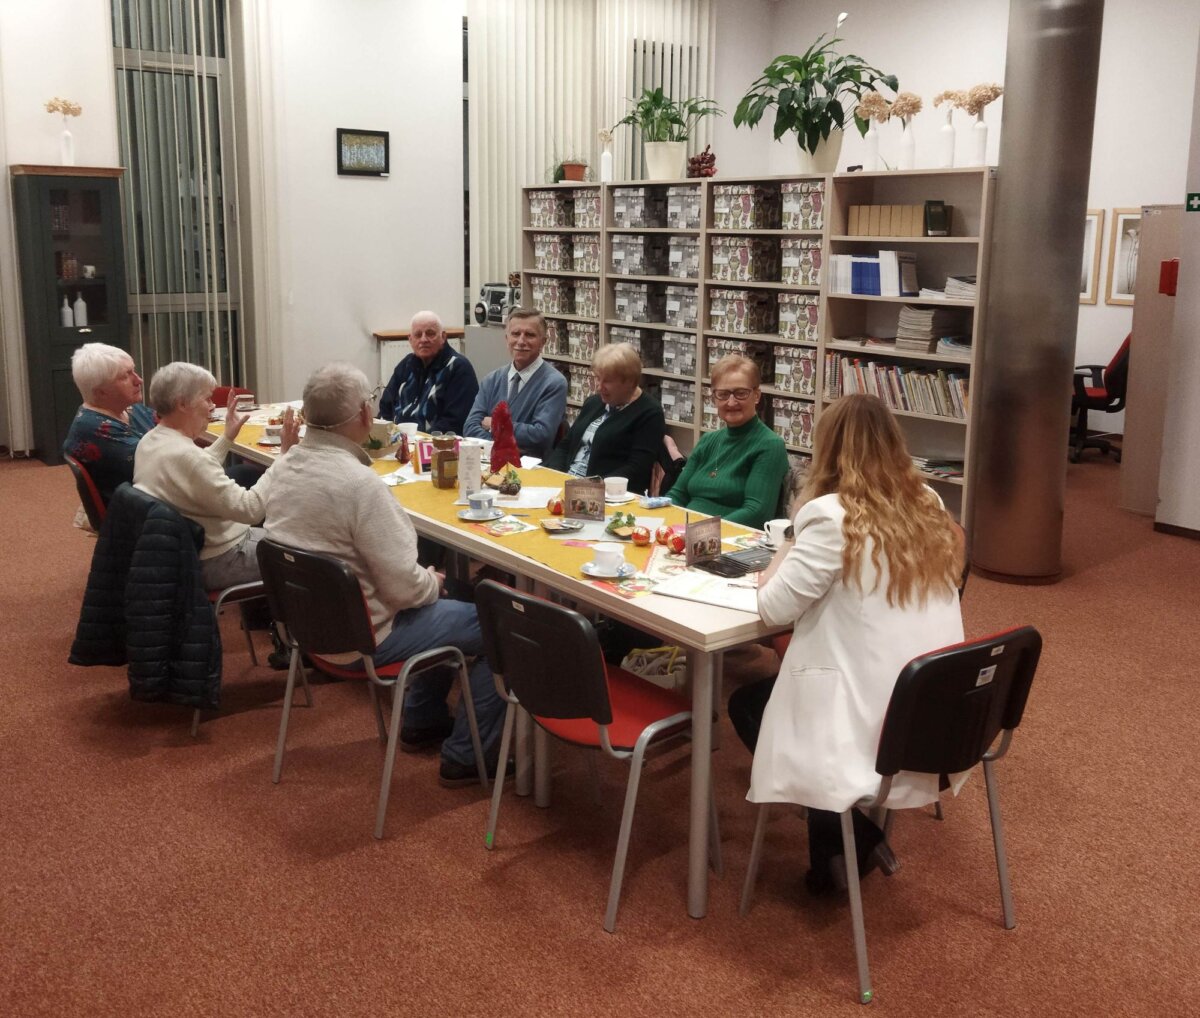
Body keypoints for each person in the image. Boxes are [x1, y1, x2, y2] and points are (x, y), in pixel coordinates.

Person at [731, 393, 966, 894]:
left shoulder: (828, 516)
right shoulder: (929, 503)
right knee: (777, 696)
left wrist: (787, 542)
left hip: (871, 709)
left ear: (828, 451)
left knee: (750, 704)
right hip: (932, 702)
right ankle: (845, 844)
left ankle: (846, 841)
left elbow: (772, 607)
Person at [263, 362, 505, 787]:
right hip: (365, 637)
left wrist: (428, 584)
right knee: (493, 622)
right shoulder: (361, 485)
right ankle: (468, 756)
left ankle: (422, 719)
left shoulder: (284, 466)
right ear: (362, 416)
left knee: (452, 600)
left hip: (308, 629)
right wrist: (432, 581)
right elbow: (406, 590)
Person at [134, 362, 299, 591]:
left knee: (292, 535)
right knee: (310, 555)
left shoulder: (151, 441)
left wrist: (227, 436)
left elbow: (194, 471)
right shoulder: (187, 456)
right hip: (219, 559)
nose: (212, 407)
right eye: (207, 399)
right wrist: (283, 457)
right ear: (182, 403)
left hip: (188, 552)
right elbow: (251, 509)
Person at [666, 353, 789, 529]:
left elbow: (757, 512)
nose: (731, 402)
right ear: (714, 398)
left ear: (756, 396)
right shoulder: (707, 440)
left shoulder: (770, 445)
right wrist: (662, 517)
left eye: (741, 393)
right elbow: (678, 494)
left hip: (728, 541)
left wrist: (701, 532)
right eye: (723, 394)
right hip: (686, 532)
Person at [543, 343, 664, 494]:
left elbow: (637, 469)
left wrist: (588, 487)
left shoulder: (649, 412)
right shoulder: (594, 402)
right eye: (598, 378)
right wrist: (555, 475)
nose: (599, 387)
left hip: (605, 495)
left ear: (630, 382)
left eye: (607, 381)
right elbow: (566, 445)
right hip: (566, 485)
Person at [463, 308, 567, 460]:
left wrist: (495, 424)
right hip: (488, 462)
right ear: (506, 339)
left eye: (530, 335)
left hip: (530, 471)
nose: (521, 341)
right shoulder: (491, 380)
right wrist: (508, 446)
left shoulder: (554, 383)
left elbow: (541, 436)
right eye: (515, 334)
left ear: (543, 341)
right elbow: (470, 428)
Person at [62, 343, 155, 504]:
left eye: (133, 370)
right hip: (143, 513)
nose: (138, 380)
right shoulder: (96, 430)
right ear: (100, 392)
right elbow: (162, 464)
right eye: (126, 376)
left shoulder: (131, 409)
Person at [378, 310, 479, 434]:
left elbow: (454, 422)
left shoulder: (459, 368)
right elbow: (385, 406)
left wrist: (417, 441)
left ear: (443, 337)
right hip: (397, 440)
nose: (424, 339)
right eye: (418, 335)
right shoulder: (406, 365)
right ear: (410, 339)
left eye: (430, 333)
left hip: (435, 445)